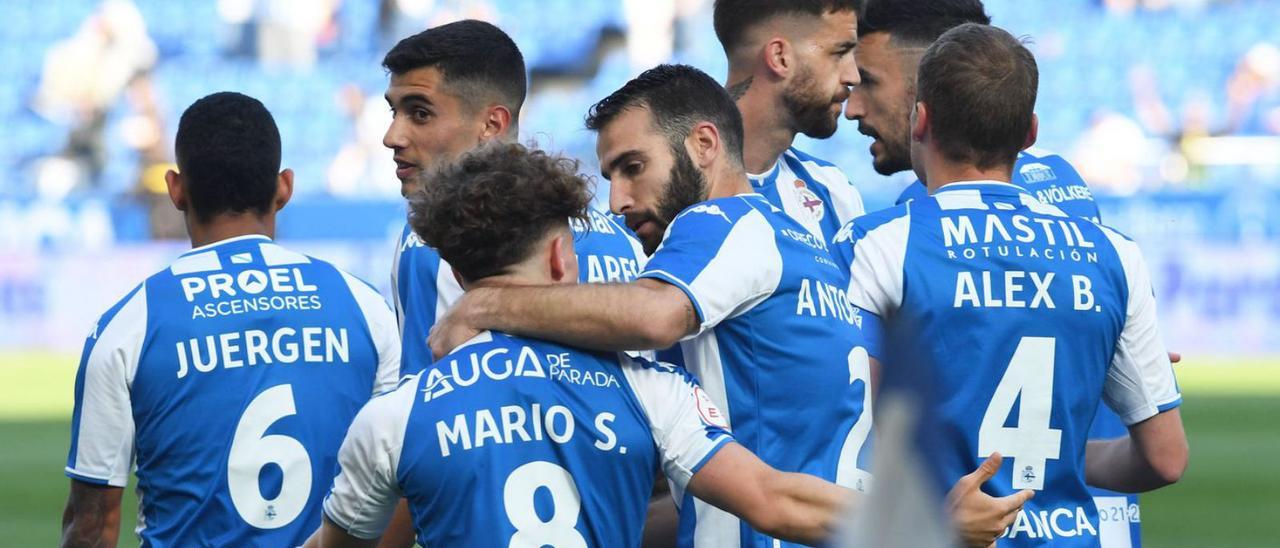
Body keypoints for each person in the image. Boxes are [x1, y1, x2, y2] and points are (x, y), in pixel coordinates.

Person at [429, 64, 1029, 547]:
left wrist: (486, 302)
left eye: (633, 168)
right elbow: (736, 484)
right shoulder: (805, 250)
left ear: (704, 144)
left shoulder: (721, 221)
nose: (617, 200)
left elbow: (654, 314)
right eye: (610, 175)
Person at [306, 142, 993, 548]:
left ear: (454, 273)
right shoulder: (648, 388)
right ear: (561, 259)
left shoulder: (397, 417)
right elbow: (775, 499)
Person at [836, 23, 1188, 546]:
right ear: (1029, 133)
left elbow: (853, 428)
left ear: (921, 119)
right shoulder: (1115, 254)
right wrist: (1055, 454)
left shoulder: (876, 243)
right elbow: (1165, 459)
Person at [60, 92, 400, 546]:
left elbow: (93, 524)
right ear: (284, 188)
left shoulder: (129, 325)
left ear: (176, 190)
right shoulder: (365, 307)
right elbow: (400, 484)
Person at [383, 20, 645, 376]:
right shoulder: (625, 240)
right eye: (394, 112)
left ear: (491, 125)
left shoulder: (434, 239)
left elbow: (425, 405)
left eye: (420, 113)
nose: (392, 136)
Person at [713, 0, 867, 243]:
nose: (853, 76)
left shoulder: (835, 193)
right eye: (839, 52)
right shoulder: (664, 182)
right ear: (780, 57)